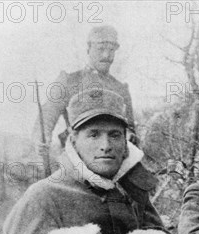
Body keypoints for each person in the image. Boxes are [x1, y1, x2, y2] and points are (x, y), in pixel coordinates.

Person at [3, 88, 174, 234]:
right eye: (93, 135)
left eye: (115, 135)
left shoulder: (132, 188)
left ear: (125, 141)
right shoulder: (44, 195)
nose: (106, 145)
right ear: (73, 141)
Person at [33, 25, 136, 155]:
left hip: (113, 157)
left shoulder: (121, 89)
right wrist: (42, 139)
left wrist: (130, 135)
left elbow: (130, 127)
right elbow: (48, 115)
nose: (106, 55)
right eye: (100, 49)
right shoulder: (69, 81)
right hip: (77, 156)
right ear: (88, 49)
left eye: (111, 50)